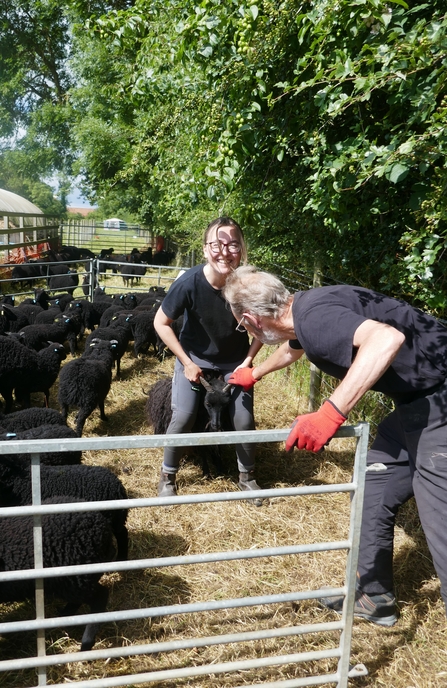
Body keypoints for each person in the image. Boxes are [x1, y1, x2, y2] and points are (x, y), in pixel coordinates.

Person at [223, 264, 447, 627]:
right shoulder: (305, 310)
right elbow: (295, 346)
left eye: (241, 325)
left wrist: (331, 413)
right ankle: (374, 597)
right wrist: (255, 373)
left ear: (251, 320)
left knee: (438, 513)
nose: (244, 329)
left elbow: (385, 339)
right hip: (417, 402)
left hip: (440, 402)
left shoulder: (315, 320)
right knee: (377, 478)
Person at [153, 218, 263, 500]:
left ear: (242, 250)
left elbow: (264, 330)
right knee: (185, 415)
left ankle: (246, 477)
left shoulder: (248, 286)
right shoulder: (189, 283)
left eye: (232, 245)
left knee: (243, 417)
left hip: (234, 363)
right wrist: (187, 362)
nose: (224, 252)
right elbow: (161, 323)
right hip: (195, 360)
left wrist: (247, 362)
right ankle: (167, 476)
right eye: (217, 244)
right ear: (205, 249)